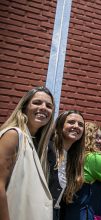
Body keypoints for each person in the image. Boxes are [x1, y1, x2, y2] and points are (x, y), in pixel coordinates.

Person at [0, 86, 54, 220]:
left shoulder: (39, 147)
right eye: (37, 102)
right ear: (24, 107)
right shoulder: (13, 135)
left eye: (49, 106)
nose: (43, 107)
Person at [47, 110, 85, 220]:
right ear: (60, 125)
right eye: (71, 122)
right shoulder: (47, 149)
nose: (76, 126)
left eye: (80, 124)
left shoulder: (73, 160)